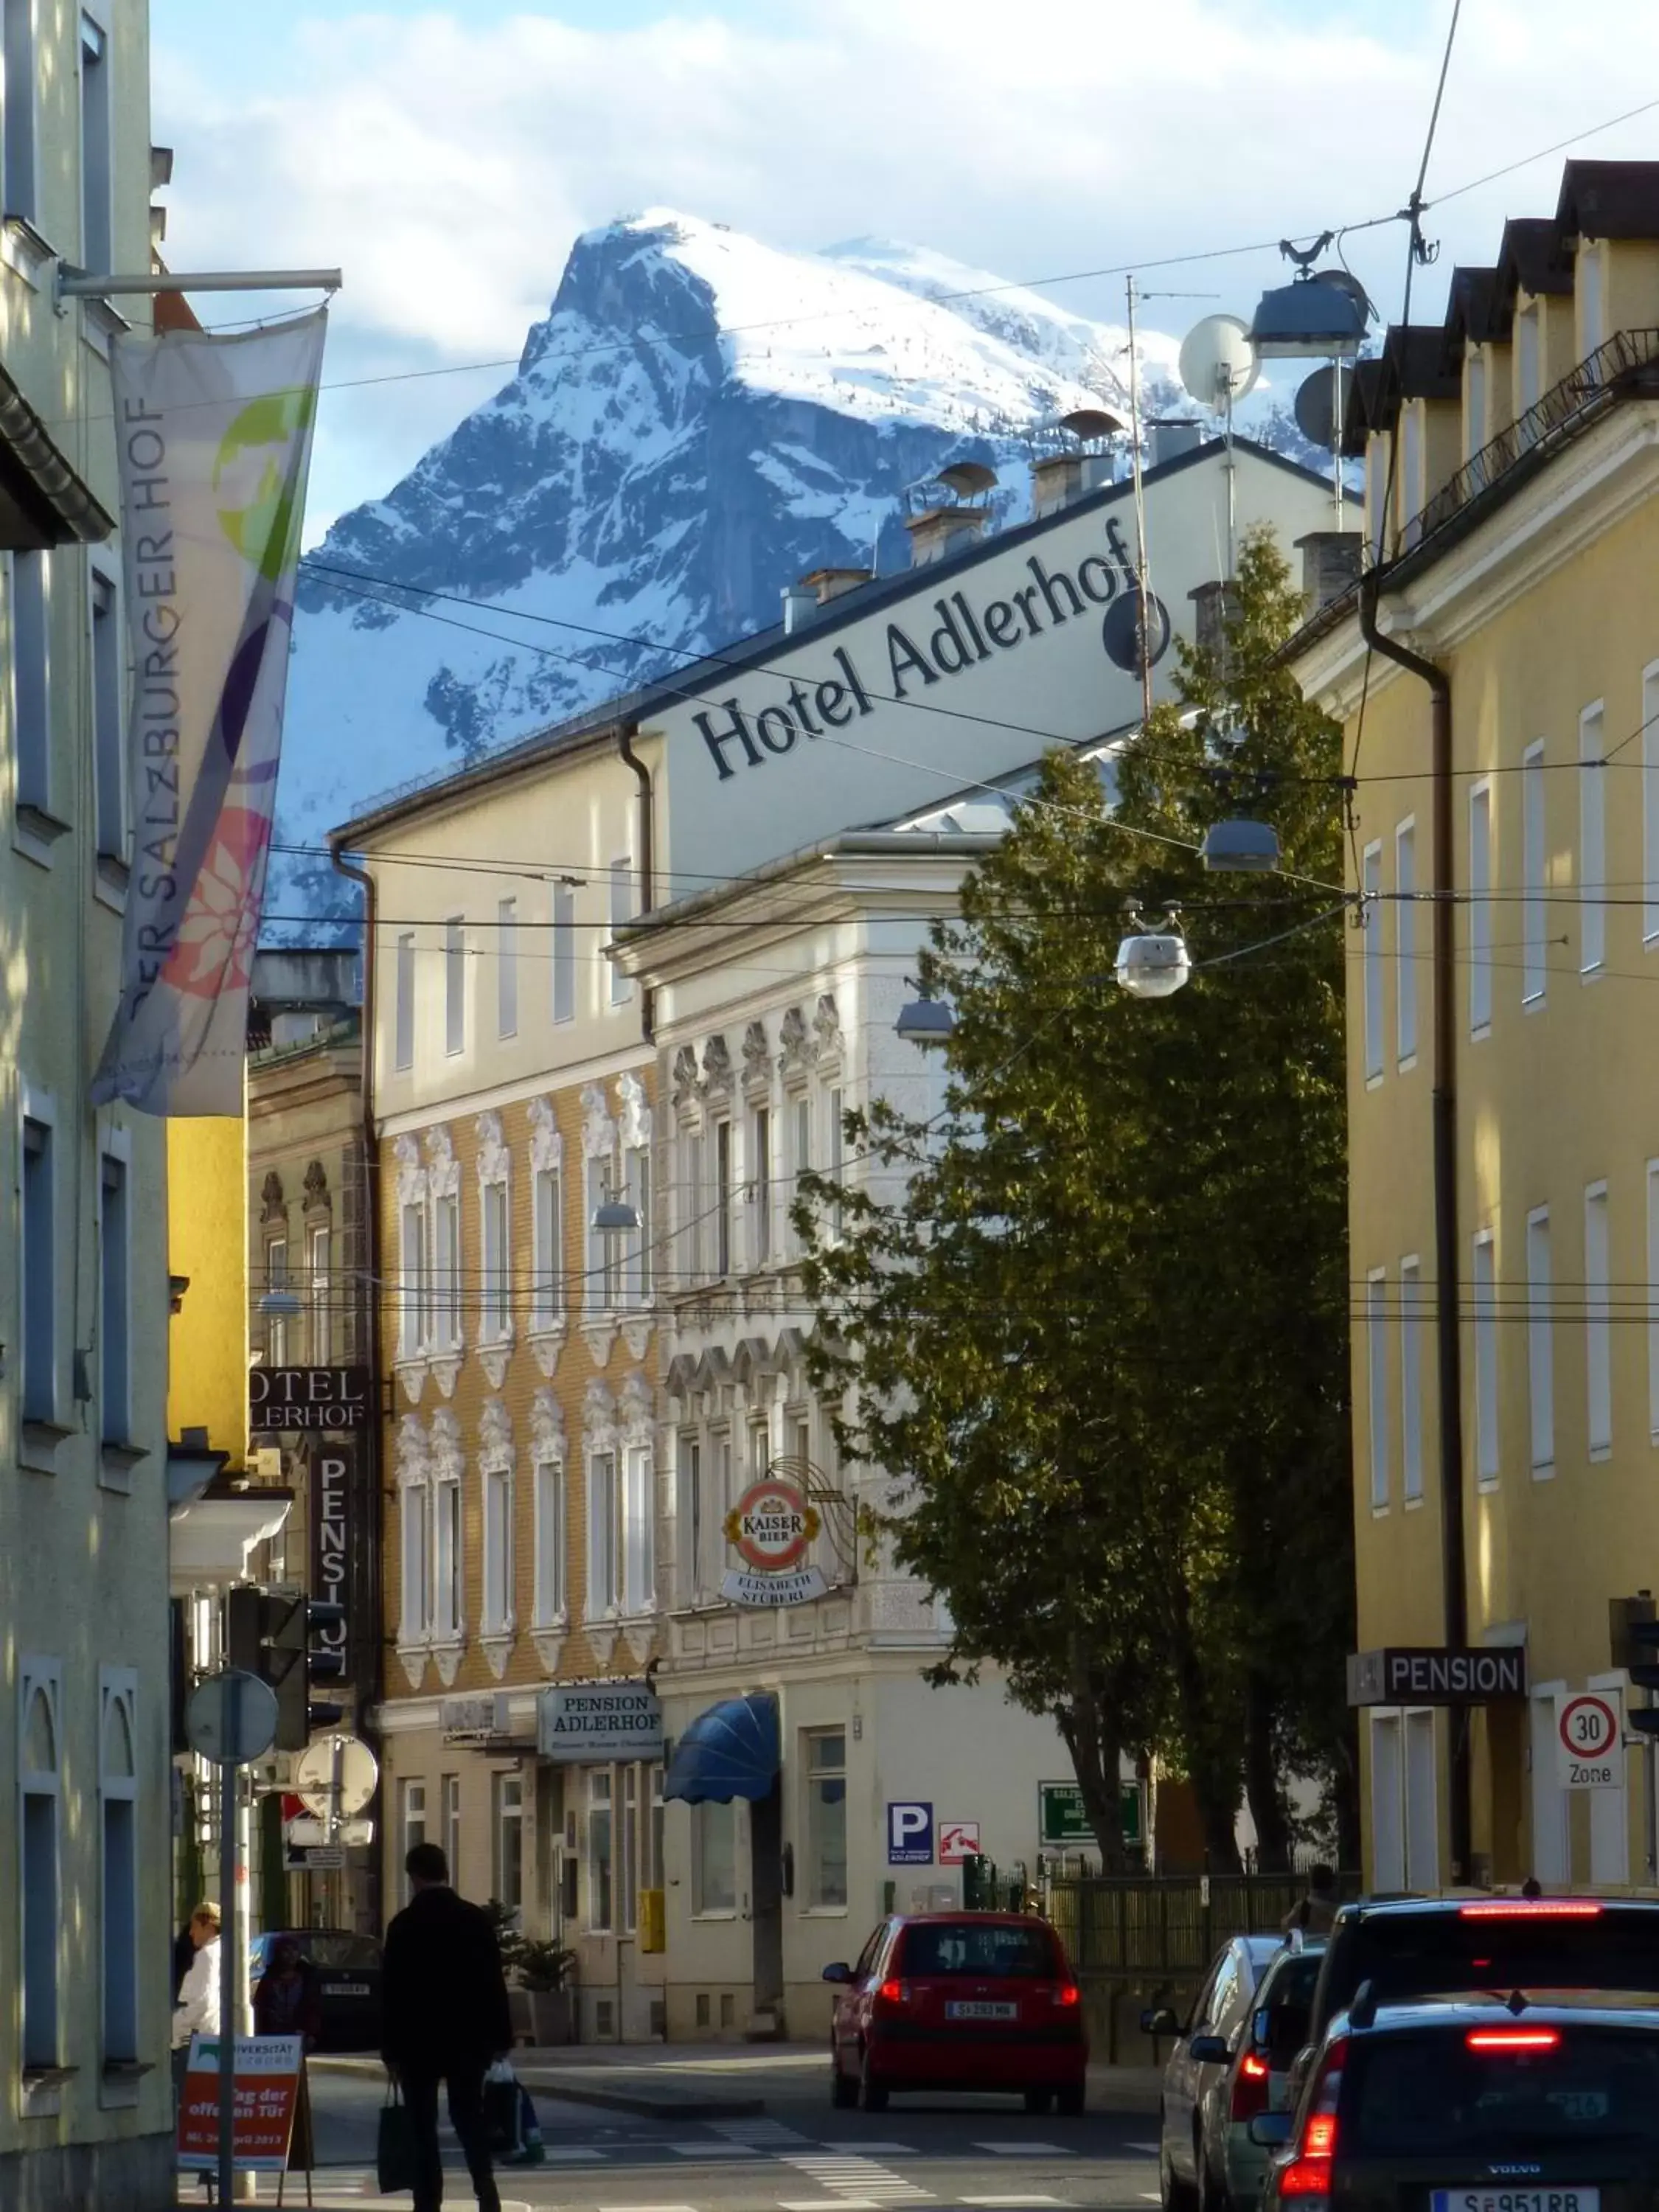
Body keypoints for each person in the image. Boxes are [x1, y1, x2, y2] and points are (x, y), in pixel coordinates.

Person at [383, 1843, 512, 2212]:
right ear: (445, 1873)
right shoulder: (474, 1920)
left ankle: (428, 2200)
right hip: (468, 2039)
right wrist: (501, 2037)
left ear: (414, 1877)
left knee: (422, 2123)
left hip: (417, 2042)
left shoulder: (404, 1925)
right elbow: (493, 1981)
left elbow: (392, 1992)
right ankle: (486, 2190)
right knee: (469, 2116)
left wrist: (389, 2048)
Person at [172, 1902, 222, 2110]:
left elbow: (202, 2003)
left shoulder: (207, 1955)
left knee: (188, 2102)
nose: (191, 1933)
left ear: (209, 1926)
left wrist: (174, 2024)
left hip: (195, 2039)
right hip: (212, 2036)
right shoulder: (226, 1951)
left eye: (195, 1926)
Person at [253, 1936, 323, 2045]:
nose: (291, 1955)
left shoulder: (308, 1977)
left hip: (299, 2033)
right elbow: (260, 2007)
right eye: (286, 1951)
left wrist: (310, 2033)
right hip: (273, 2034)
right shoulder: (269, 1978)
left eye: (294, 1950)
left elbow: (313, 2006)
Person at [1282, 1864, 1339, 1936]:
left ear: (1311, 1882)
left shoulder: (1304, 1907)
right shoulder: (1340, 1910)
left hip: (1310, 1945)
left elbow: (1287, 1925)